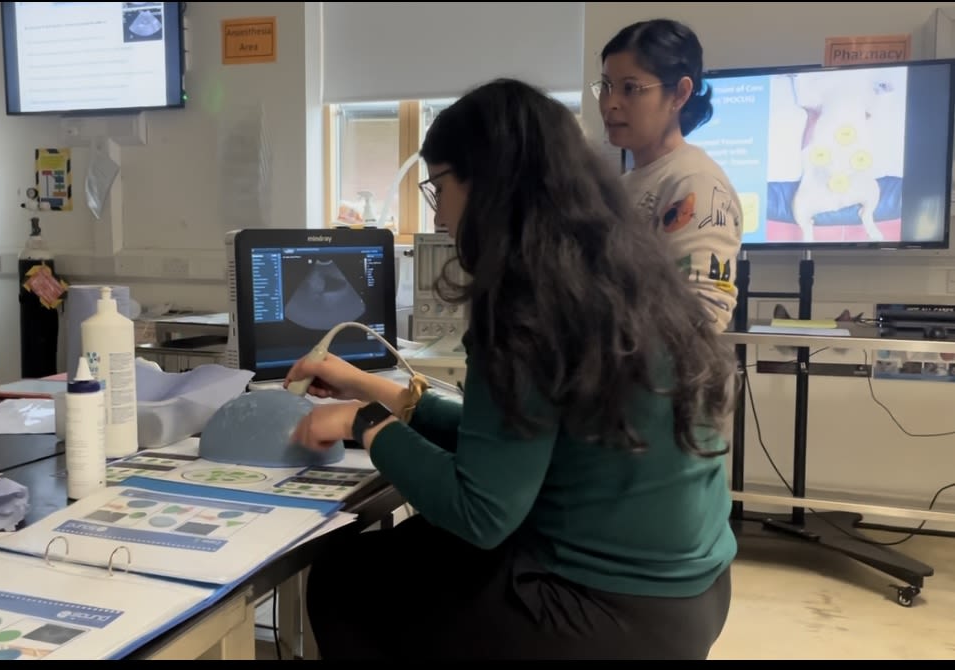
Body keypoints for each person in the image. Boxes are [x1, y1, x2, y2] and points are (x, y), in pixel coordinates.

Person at [284, 78, 738, 660]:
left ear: (487, 185)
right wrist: (370, 389)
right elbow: (510, 444)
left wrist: (364, 422)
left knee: (347, 575)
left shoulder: (528, 307)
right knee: (414, 547)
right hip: (692, 598)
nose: (440, 214)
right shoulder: (623, 281)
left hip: (603, 614)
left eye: (439, 187)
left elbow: (483, 512)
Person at [598, 18, 744, 333]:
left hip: (660, 380)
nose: (610, 104)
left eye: (630, 89)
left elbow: (703, 314)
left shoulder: (694, 181)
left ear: (679, 93)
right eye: (606, 86)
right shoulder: (623, 185)